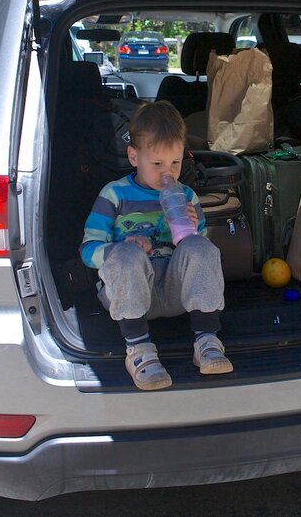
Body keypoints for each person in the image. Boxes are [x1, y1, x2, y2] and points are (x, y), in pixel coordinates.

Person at [81, 100, 232, 390]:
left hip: (176, 294)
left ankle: (207, 339)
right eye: (158, 164)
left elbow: (197, 255)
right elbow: (88, 251)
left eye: (176, 163)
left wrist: (193, 226)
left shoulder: (186, 194)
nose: (169, 173)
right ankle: (138, 348)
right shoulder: (114, 194)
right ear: (134, 157)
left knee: (202, 248)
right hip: (130, 295)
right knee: (126, 255)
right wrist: (122, 248)